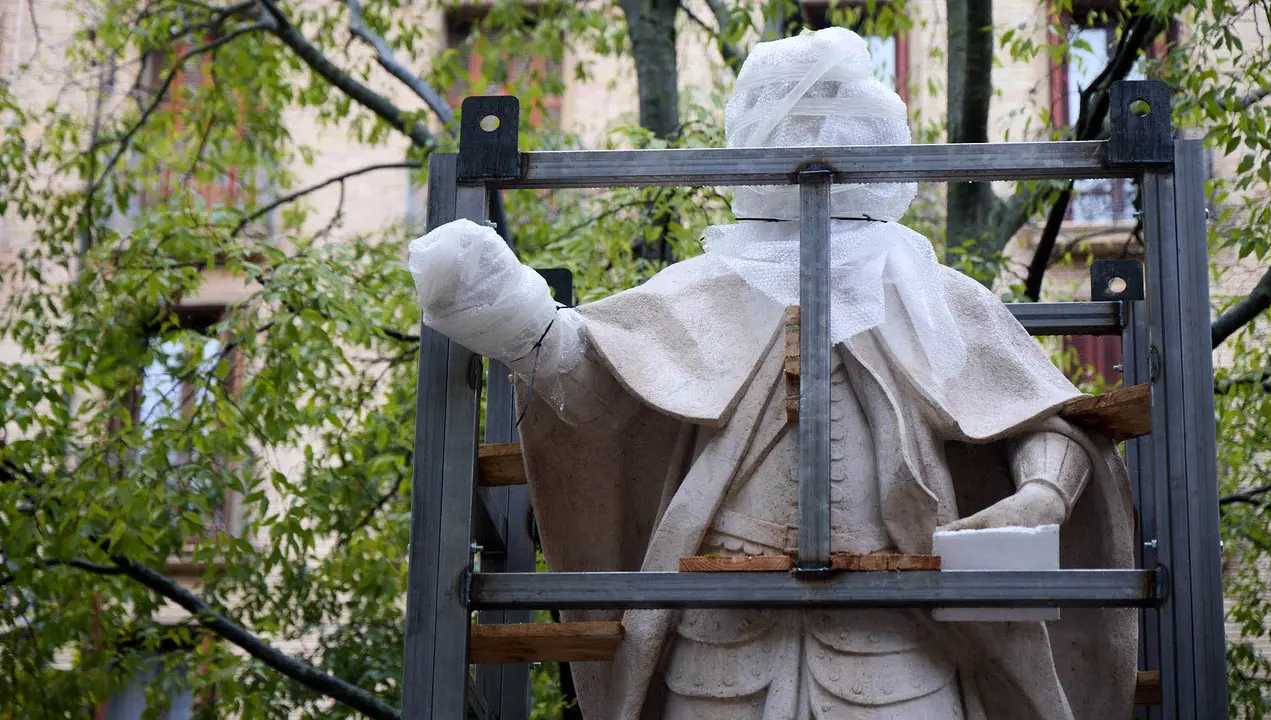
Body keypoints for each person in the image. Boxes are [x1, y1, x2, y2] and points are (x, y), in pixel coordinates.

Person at [408, 26, 1137, 720]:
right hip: (722, 648)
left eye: (836, 116)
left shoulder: (934, 295)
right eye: (800, 115)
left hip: (901, 646)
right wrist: (516, 318)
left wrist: (1038, 496)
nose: (818, 141)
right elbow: (590, 377)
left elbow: (1050, 418)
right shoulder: (700, 289)